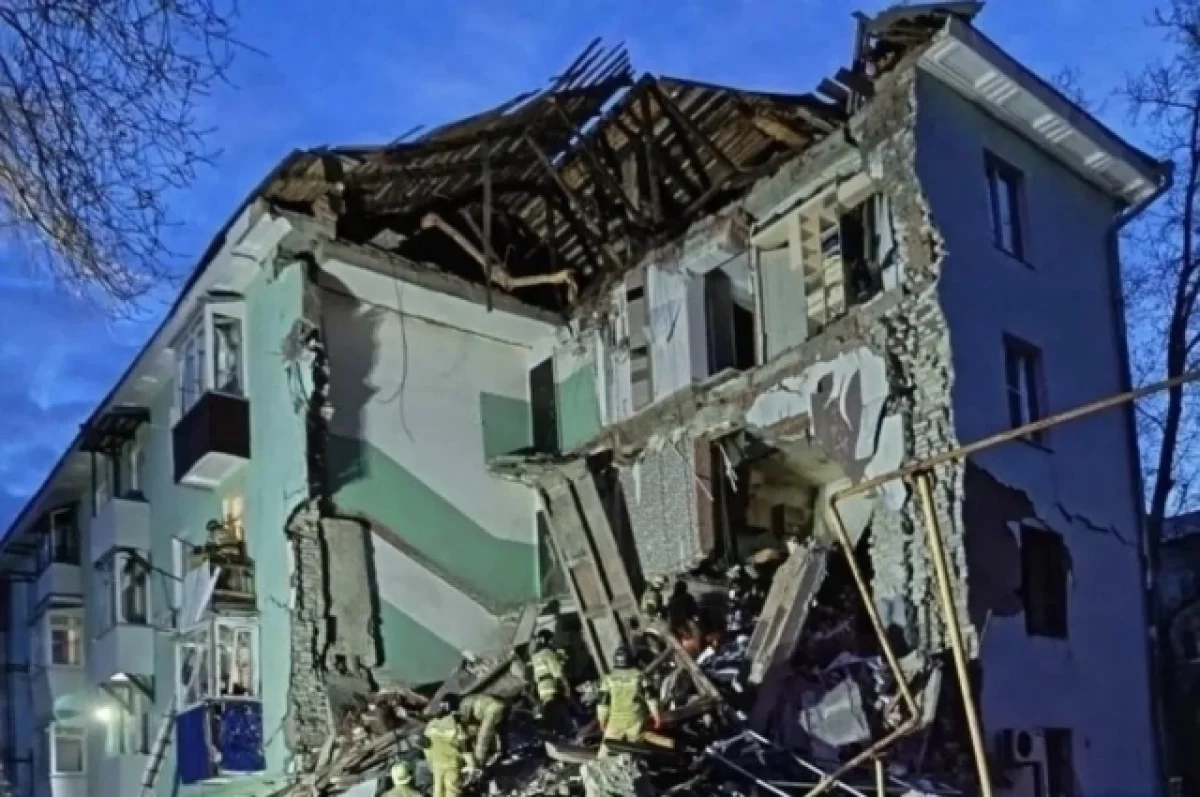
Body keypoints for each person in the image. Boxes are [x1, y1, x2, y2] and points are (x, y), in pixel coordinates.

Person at [597, 646, 660, 747]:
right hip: (636, 719)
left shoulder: (608, 679)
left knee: (607, 749)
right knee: (636, 748)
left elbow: (603, 703)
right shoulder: (640, 676)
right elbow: (650, 698)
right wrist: (656, 715)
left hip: (615, 721)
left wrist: (601, 720)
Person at [423, 694, 475, 797]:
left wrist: (431, 765)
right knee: (452, 791)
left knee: (438, 792)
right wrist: (471, 766)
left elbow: (426, 748)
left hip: (437, 764)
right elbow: (465, 748)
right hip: (452, 765)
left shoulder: (431, 724)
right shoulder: (456, 724)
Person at [460, 693, 506, 766]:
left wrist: (479, 762)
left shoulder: (491, 711)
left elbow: (483, 736)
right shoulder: (478, 702)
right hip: (497, 706)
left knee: (485, 734)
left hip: (495, 709)